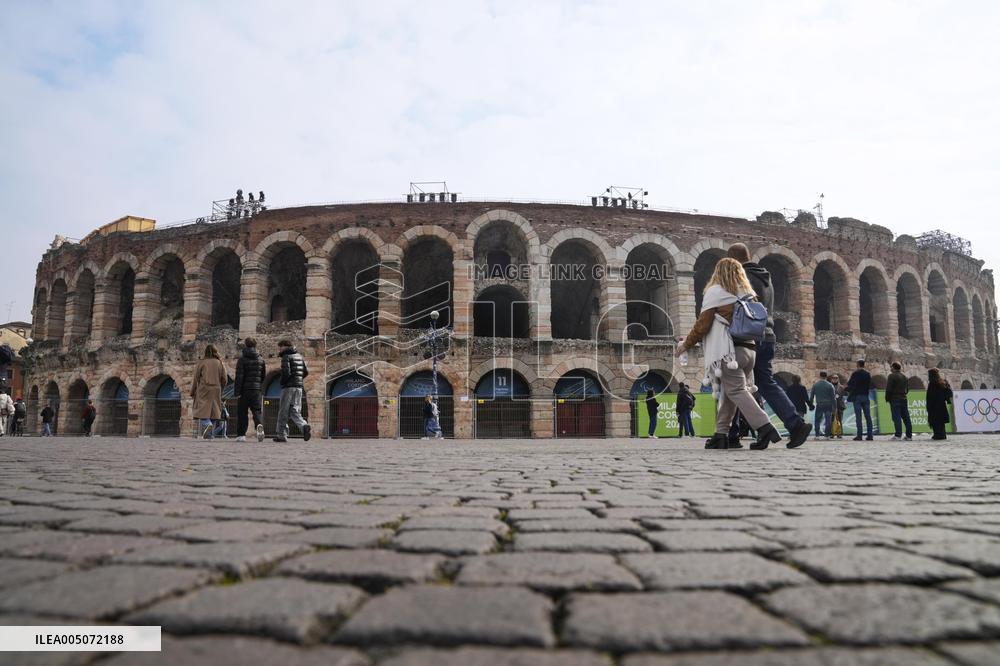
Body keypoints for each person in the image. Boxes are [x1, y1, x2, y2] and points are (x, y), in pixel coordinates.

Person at [675, 258, 782, 450]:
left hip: (728, 351)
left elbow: (703, 324)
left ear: (718, 272)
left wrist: (686, 344)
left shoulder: (716, 292)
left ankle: (765, 427)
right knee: (729, 393)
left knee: (735, 390)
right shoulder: (748, 293)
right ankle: (721, 434)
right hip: (749, 350)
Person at [727, 243, 811, 448]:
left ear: (734, 259)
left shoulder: (742, 278)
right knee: (764, 383)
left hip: (749, 337)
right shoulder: (766, 277)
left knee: (735, 384)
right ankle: (792, 424)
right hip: (768, 335)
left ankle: (739, 432)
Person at [274, 339, 311, 443]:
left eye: (280, 347)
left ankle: (282, 435)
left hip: (288, 387)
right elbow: (306, 372)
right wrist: (298, 379)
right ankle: (304, 426)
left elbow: (286, 373)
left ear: (285, 346)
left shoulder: (286, 356)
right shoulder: (299, 356)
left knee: (283, 411)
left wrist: (282, 382)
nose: (279, 349)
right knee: (294, 410)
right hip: (299, 387)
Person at [233, 337, 266, 443]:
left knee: (242, 412)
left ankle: (241, 435)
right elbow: (263, 375)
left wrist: (237, 392)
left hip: (244, 390)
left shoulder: (242, 359)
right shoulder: (261, 359)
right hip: (256, 389)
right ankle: (259, 427)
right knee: (256, 411)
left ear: (245, 345)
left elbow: (239, 377)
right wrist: (258, 386)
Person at [192, 344, 227, 439]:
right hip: (216, 389)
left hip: (204, 388)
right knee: (214, 411)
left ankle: (208, 425)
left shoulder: (202, 362)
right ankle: (209, 434)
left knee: (202, 411)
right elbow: (224, 379)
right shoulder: (220, 363)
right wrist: (221, 389)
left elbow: (196, 378)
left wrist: (193, 391)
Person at [847, 360, 874, 441]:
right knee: (868, 416)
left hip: (857, 396)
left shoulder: (855, 374)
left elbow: (850, 384)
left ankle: (859, 435)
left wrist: (846, 389)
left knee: (858, 417)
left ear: (858, 365)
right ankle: (870, 435)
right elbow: (870, 385)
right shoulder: (867, 374)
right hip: (865, 396)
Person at [885, 362, 912, 441]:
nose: (890, 368)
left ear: (893, 367)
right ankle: (909, 435)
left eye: (891, 367)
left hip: (895, 398)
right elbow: (907, 389)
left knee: (896, 417)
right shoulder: (905, 376)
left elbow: (889, 388)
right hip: (904, 398)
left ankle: (898, 435)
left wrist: (887, 398)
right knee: (906, 417)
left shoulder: (891, 376)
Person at [926, 368, 953, 440]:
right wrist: (945, 399)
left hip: (934, 406)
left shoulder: (932, 383)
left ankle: (937, 435)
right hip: (941, 405)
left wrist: (928, 406)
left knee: (935, 422)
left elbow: (930, 396)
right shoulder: (943, 382)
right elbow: (949, 393)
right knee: (941, 423)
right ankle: (942, 435)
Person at [809, 372, 836, 438]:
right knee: (828, 420)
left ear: (820, 376)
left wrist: (811, 405)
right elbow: (833, 397)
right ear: (826, 376)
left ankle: (817, 435)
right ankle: (827, 435)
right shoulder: (830, 385)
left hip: (820, 404)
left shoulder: (816, 385)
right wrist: (835, 407)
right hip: (828, 404)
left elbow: (812, 396)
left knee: (817, 420)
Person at [830, 373, 846, 439]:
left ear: (838, 379)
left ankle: (839, 433)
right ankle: (832, 433)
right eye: (834, 378)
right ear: (831, 379)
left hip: (840, 405)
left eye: (836, 378)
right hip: (831, 405)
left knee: (840, 419)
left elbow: (845, 395)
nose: (835, 379)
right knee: (832, 420)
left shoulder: (842, 387)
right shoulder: (829, 386)